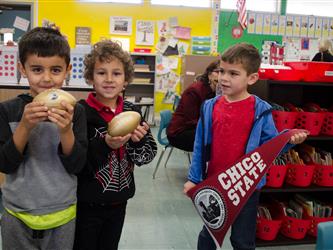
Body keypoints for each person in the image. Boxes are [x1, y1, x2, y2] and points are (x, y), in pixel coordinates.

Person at [183, 43, 308, 250]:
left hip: (247, 187)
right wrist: (194, 179)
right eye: (221, 71)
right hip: (216, 184)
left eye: (233, 73)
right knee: (208, 236)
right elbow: (199, 146)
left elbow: (271, 146)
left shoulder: (261, 110)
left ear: (251, 78)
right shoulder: (209, 107)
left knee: (242, 240)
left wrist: (288, 140)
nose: (224, 78)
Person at [0, 27, 88, 249]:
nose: (47, 78)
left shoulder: (75, 111)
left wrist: (66, 130)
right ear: (22, 69)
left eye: (56, 70)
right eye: (37, 69)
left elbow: (77, 165)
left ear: (67, 70)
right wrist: (25, 126)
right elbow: (5, 164)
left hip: (62, 211)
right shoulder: (7, 111)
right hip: (17, 212)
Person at [74, 40, 157, 250]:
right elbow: (77, 163)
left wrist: (138, 144)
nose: (109, 79)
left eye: (117, 74)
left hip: (120, 202)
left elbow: (147, 155)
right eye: (102, 73)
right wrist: (106, 144)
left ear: (126, 80)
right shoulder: (80, 112)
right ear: (91, 78)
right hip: (86, 204)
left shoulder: (132, 112)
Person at [166, 60, 220, 152]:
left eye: (223, 72)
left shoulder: (217, 92)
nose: (221, 76)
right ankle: (203, 166)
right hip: (180, 132)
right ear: (209, 74)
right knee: (215, 140)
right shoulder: (195, 90)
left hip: (195, 128)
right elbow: (191, 120)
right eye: (218, 71)